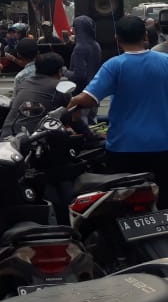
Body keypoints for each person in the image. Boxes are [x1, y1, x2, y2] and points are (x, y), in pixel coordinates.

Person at [69, 16, 168, 202]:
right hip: (164, 145)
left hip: (124, 147)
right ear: (145, 36)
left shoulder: (115, 65)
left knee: (125, 202)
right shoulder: (165, 61)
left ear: (117, 38)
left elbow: (88, 99)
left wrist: (68, 102)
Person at [0, 52, 74, 138]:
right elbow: (72, 118)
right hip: (29, 144)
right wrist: (88, 135)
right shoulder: (60, 86)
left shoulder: (24, 83)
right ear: (59, 71)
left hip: (5, 138)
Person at [68, 15, 102, 124]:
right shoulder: (96, 45)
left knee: (83, 125)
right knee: (93, 122)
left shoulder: (79, 48)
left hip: (81, 94)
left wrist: (64, 71)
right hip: (94, 92)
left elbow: (79, 75)